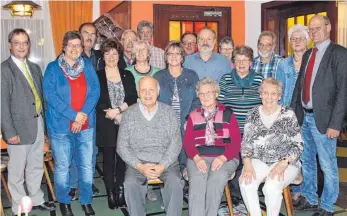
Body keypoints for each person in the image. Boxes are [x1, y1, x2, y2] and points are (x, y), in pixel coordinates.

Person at [291, 15, 347, 216]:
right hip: (304, 118)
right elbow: (299, 88)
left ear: (328, 27)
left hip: (325, 121)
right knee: (307, 160)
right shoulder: (308, 54)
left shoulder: (339, 54)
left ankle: (328, 205)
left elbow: (344, 91)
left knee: (327, 164)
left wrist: (336, 123)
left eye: (317, 28)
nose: (314, 32)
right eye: (311, 29)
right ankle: (311, 197)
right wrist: (295, 118)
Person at [43, 31, 100, 216]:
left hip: (85, 125)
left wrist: (81, 115)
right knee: (62, 166)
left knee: (85, 165)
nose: (75, 48)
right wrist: (73, 115)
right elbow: (51, 96)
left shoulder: (87, 66)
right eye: (71, 45)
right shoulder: (52, 68)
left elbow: (95, 91)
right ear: (64, 47)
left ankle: (86, 201)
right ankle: (64, 202)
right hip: (60, 127)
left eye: (78, 45)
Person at [1, 28, 56, 216]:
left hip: (37, 123)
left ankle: (36, 199)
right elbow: (2, 104)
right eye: (17, 43)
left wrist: (46, 128)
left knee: (35, 165)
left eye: (25, 42)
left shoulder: (34, 67)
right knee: (16, 172)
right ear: (10, 45)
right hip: (17, 129)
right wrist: (9, 132)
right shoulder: (4, 70)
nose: (22, 46)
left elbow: (40, 97)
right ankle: (18, 206)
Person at [117, 76, 183, 216]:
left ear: (158, 92)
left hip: (166, 162)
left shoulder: (169, 112)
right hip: (138, 163)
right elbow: (121, 146)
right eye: (144, 90)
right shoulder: (129, 114)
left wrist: (162, 165)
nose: (147, 94)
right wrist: (140, 166)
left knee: (175, 182)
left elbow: (176, 143)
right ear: (138, 93)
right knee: (130, 184)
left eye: (151, 90)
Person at [239, 78, 303, 216]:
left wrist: (283, 163)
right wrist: (247, 165)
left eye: (273, 94)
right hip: (258, 159)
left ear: (279, 96)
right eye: (265, 93)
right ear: (260, 94)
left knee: (271, 187)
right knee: (245, 182)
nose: (269, 97)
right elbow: (246, 143)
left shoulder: (288, 114)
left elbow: (298, 145)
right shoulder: (252, 113)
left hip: (285, 162)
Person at [183, 77, 241, 216]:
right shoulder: (193, 115)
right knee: (197, 181)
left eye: (209, 92)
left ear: (216, 94)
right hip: (199, 156)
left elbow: (236, 141)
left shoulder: (228, 113)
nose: (205, 96)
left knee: (216, 179)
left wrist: (223, 158)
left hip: (226, 157)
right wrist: (197, 159)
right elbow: (188, 142)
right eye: (201, 93)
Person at [96, 39, 137, 209]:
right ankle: (111, 192)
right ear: (103, 56)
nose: (112, 57)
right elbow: (96, 99)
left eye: (114, 53)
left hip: (125, 121)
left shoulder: (127, 74)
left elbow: (132, 97)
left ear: (119, 55)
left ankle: (120, 190)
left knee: (122, 158)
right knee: (108, 159)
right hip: (106, 123)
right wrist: (111, 114)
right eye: (108, 53)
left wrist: (119, 111)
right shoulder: (97, 75)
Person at [68, 22, 102, 201]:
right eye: (85, 33)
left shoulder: (99, 57)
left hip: (95, 112)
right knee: (75, 150)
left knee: (92, 150)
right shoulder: (68, 59)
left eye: (93, 33)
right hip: (75, 113)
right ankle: (73, 185)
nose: (89, 36)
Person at [154, 41, 200, 172]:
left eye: (177, 53)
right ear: (166, 56)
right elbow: (153, 101)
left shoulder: (192, 75)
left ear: (182, 57)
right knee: (168, 159)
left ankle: (185, 184)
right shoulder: (158, 76)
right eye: (170, 53)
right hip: (165, 125)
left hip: (186, 123)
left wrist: (189, 118)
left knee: (186, 157)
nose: (174, 56)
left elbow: (197, 100)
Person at [218, 45, 263, 132]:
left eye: (244, 60)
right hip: (230, 129)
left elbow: (264, 104)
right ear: (233, 63)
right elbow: (219, 104)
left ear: (250, 63)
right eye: (238, 60)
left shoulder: (259, 79)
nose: (241, 63)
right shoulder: (225, 79)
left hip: (254, 130)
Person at [276, 24, 309, 107]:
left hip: (309, 111)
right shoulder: (283, 64)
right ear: (290, 42)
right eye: (293, 39)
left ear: (307, 41)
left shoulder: (314, 61)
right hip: (289, 108)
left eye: (300, 38)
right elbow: (278, 90)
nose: (297, 42)